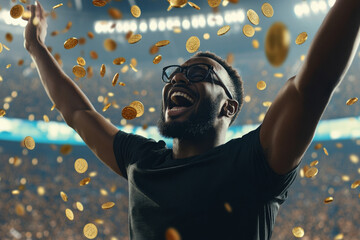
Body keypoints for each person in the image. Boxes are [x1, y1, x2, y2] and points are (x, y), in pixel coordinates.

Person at [24, 0, 359, 239]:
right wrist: (37, 49)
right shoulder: (142, 160)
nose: (178, 79)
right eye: (176, 73)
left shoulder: (254, 163)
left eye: (199, 73)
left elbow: (313, 84)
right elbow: (78, 113)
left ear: (229, 108)